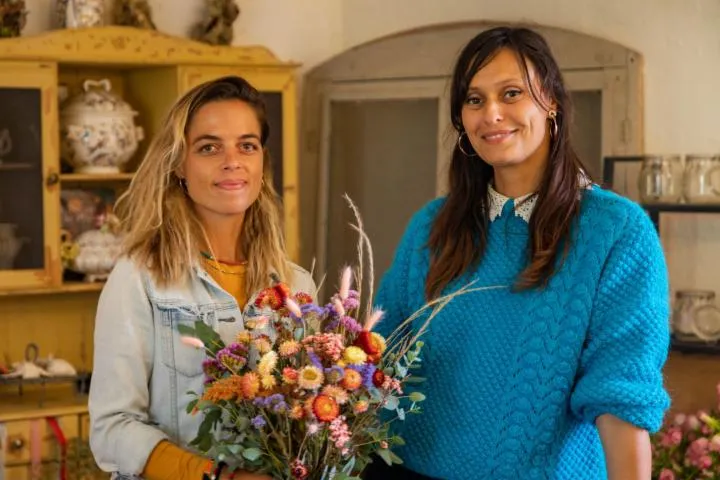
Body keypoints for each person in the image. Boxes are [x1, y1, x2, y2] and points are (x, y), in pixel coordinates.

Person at [365, 26, 670, 480]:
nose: (491, 114)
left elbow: (621, 393)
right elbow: (376, 356)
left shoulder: (615, 231)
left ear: (552, 104)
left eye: (511, 93)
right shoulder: (432, 226)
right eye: (474, 100)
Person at [89, 76, 316, 480]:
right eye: (209, 147)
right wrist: (216, 477)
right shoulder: (140, 277)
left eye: (247, 145)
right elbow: (112, 429)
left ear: (262, 161)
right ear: (179, 163)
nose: (232, 160)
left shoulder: (295, 287)